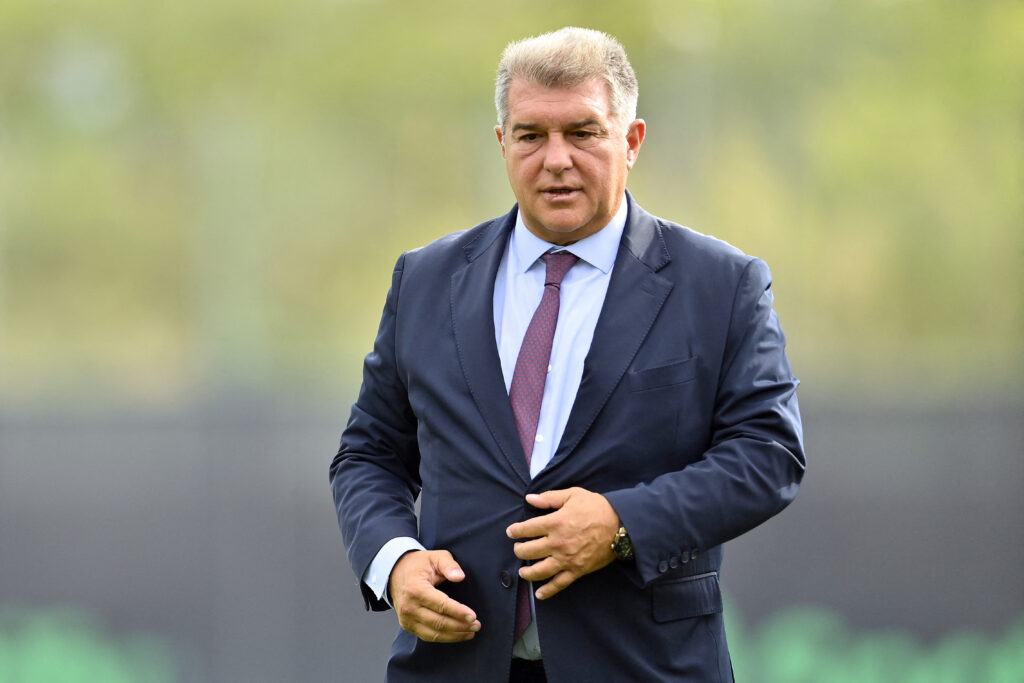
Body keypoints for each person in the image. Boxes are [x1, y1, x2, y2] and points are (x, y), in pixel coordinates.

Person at [330, 26, 805, 683]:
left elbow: (768, 454)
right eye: (530, 135)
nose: (556, 159)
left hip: (645, 666)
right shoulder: (427, 280)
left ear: (630, 141)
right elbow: (369, 453)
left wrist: (620, 523)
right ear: (503, 143)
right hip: (456, 665)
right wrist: (394, 559)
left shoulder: (720, 284)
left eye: (582, 132)